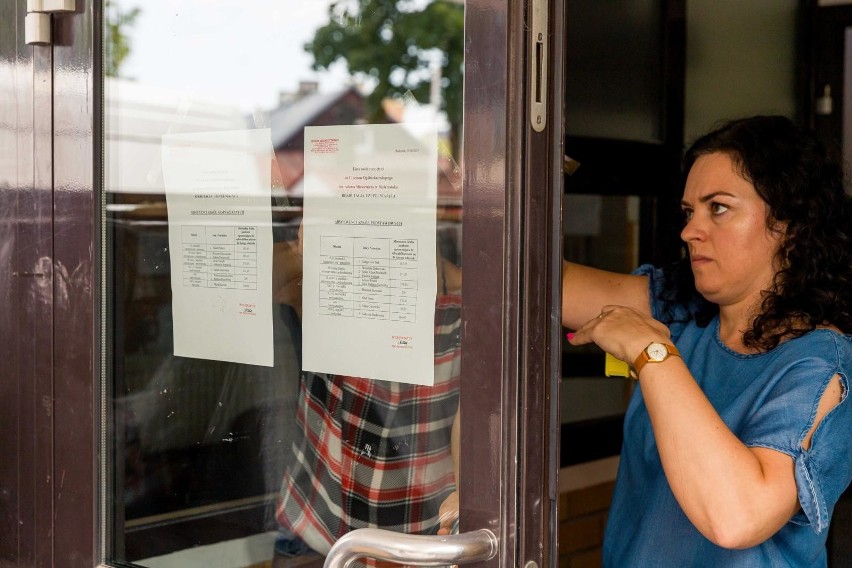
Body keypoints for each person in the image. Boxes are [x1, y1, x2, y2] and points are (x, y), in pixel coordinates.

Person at [559, 115, 852, 565]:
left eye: (718, 207)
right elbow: (525, 282)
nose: (689, 230)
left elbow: (736, 517)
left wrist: (651, 353)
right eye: (689, 211)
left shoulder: (820, 366)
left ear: (790, 222)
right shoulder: (681, 314)